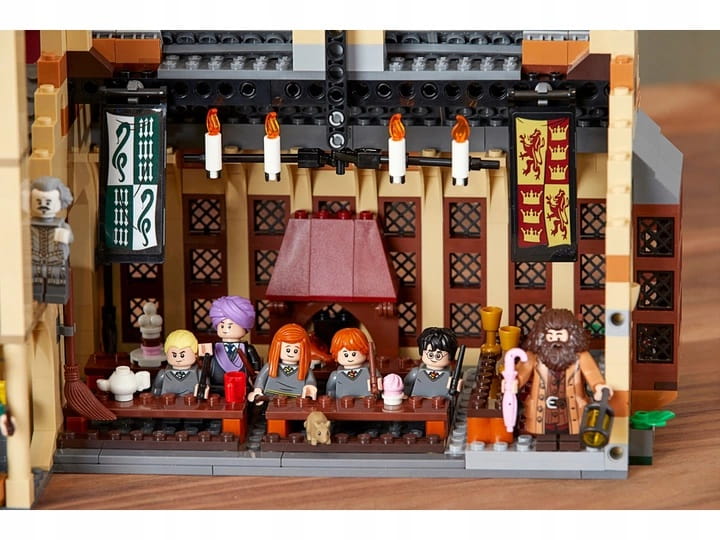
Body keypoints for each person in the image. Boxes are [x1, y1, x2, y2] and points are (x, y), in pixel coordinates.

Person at [514, 308, 613, 438]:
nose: (556, 340)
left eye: (560, 335)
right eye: (551, 336)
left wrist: (599, 387)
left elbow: (592, 374)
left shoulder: (581, 357)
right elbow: (521, 372)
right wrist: (514, 382)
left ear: (572, 335)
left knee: (571, 441)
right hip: (541, 413)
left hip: (572, 412)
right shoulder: (533, 356)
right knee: (544, 442)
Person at [198, 296, 262, 396]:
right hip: (217, 388)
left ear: (244, 326)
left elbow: (256, 365)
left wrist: (257, 378)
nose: (225, 329)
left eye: (229, 326)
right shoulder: (213, 348)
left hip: (242, 387)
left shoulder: (247, 349)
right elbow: (203, 366)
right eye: (222, 325)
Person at [30, 176, 74, 304]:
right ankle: (35, 294)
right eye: (39, 202)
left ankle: (55, 295)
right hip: (34, 258)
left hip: (55, 259)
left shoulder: (60, 225)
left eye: (48, 202)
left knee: (56, 281)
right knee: (35, 280)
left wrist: (65, 236)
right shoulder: (30, 225)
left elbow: (70, 237)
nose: (43, 206)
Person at [248, 323, 317, 402]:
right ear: (277, 347)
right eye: (288, 350)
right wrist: (258, 389)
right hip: (270, 397)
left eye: (296, 350)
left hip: (296, 399)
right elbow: (261, 378)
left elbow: (310, 381)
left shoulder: (305, 370)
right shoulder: (270, 366)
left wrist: (310, 386)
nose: (291, 353)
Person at [403, 327, 462, 398]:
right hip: (417, 400)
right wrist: (406, 395)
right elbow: (407, 384)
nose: (434, 358)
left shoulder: (451, 375)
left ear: (451, 355)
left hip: (443, 402)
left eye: (438, 356)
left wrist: (458, 386)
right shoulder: (416, 372)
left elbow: (456, 392)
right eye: (430, 354)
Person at [326, 328, 382, 398]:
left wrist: (378, 387)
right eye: (346, 354)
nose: (350, 357)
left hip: (367, 401)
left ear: (365, 351)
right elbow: (330, 391)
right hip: (343, 403)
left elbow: (379, 386)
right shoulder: (335, 375)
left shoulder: (371, 371)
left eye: (353, 354)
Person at [152, 329, 207, 397]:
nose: (178, 359)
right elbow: (156, 389)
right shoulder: (163, 374)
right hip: (167, 402)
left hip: (191, 402)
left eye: (182, 355)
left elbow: (206, 391)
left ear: (195, 354)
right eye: (174, 355)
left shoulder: (199, 374)